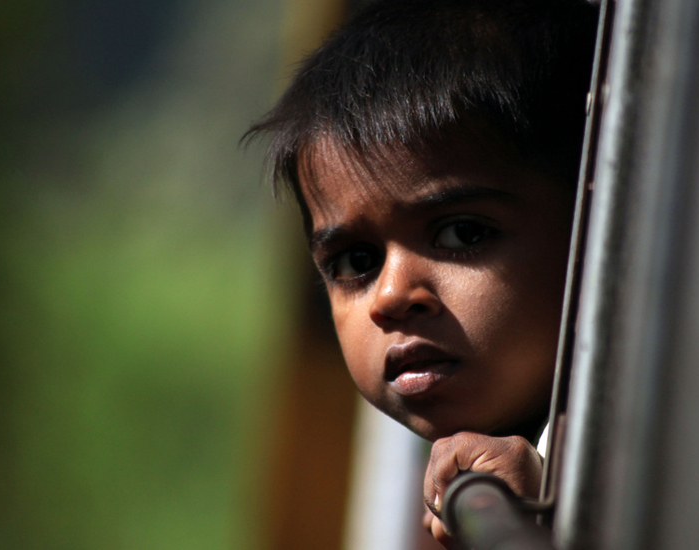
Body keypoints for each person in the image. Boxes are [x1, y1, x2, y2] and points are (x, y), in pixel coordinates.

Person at [244, 0, 597, 546]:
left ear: (590, 219)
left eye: (462, 233)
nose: (391, 296)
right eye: (356, 262)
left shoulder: (640, 444)